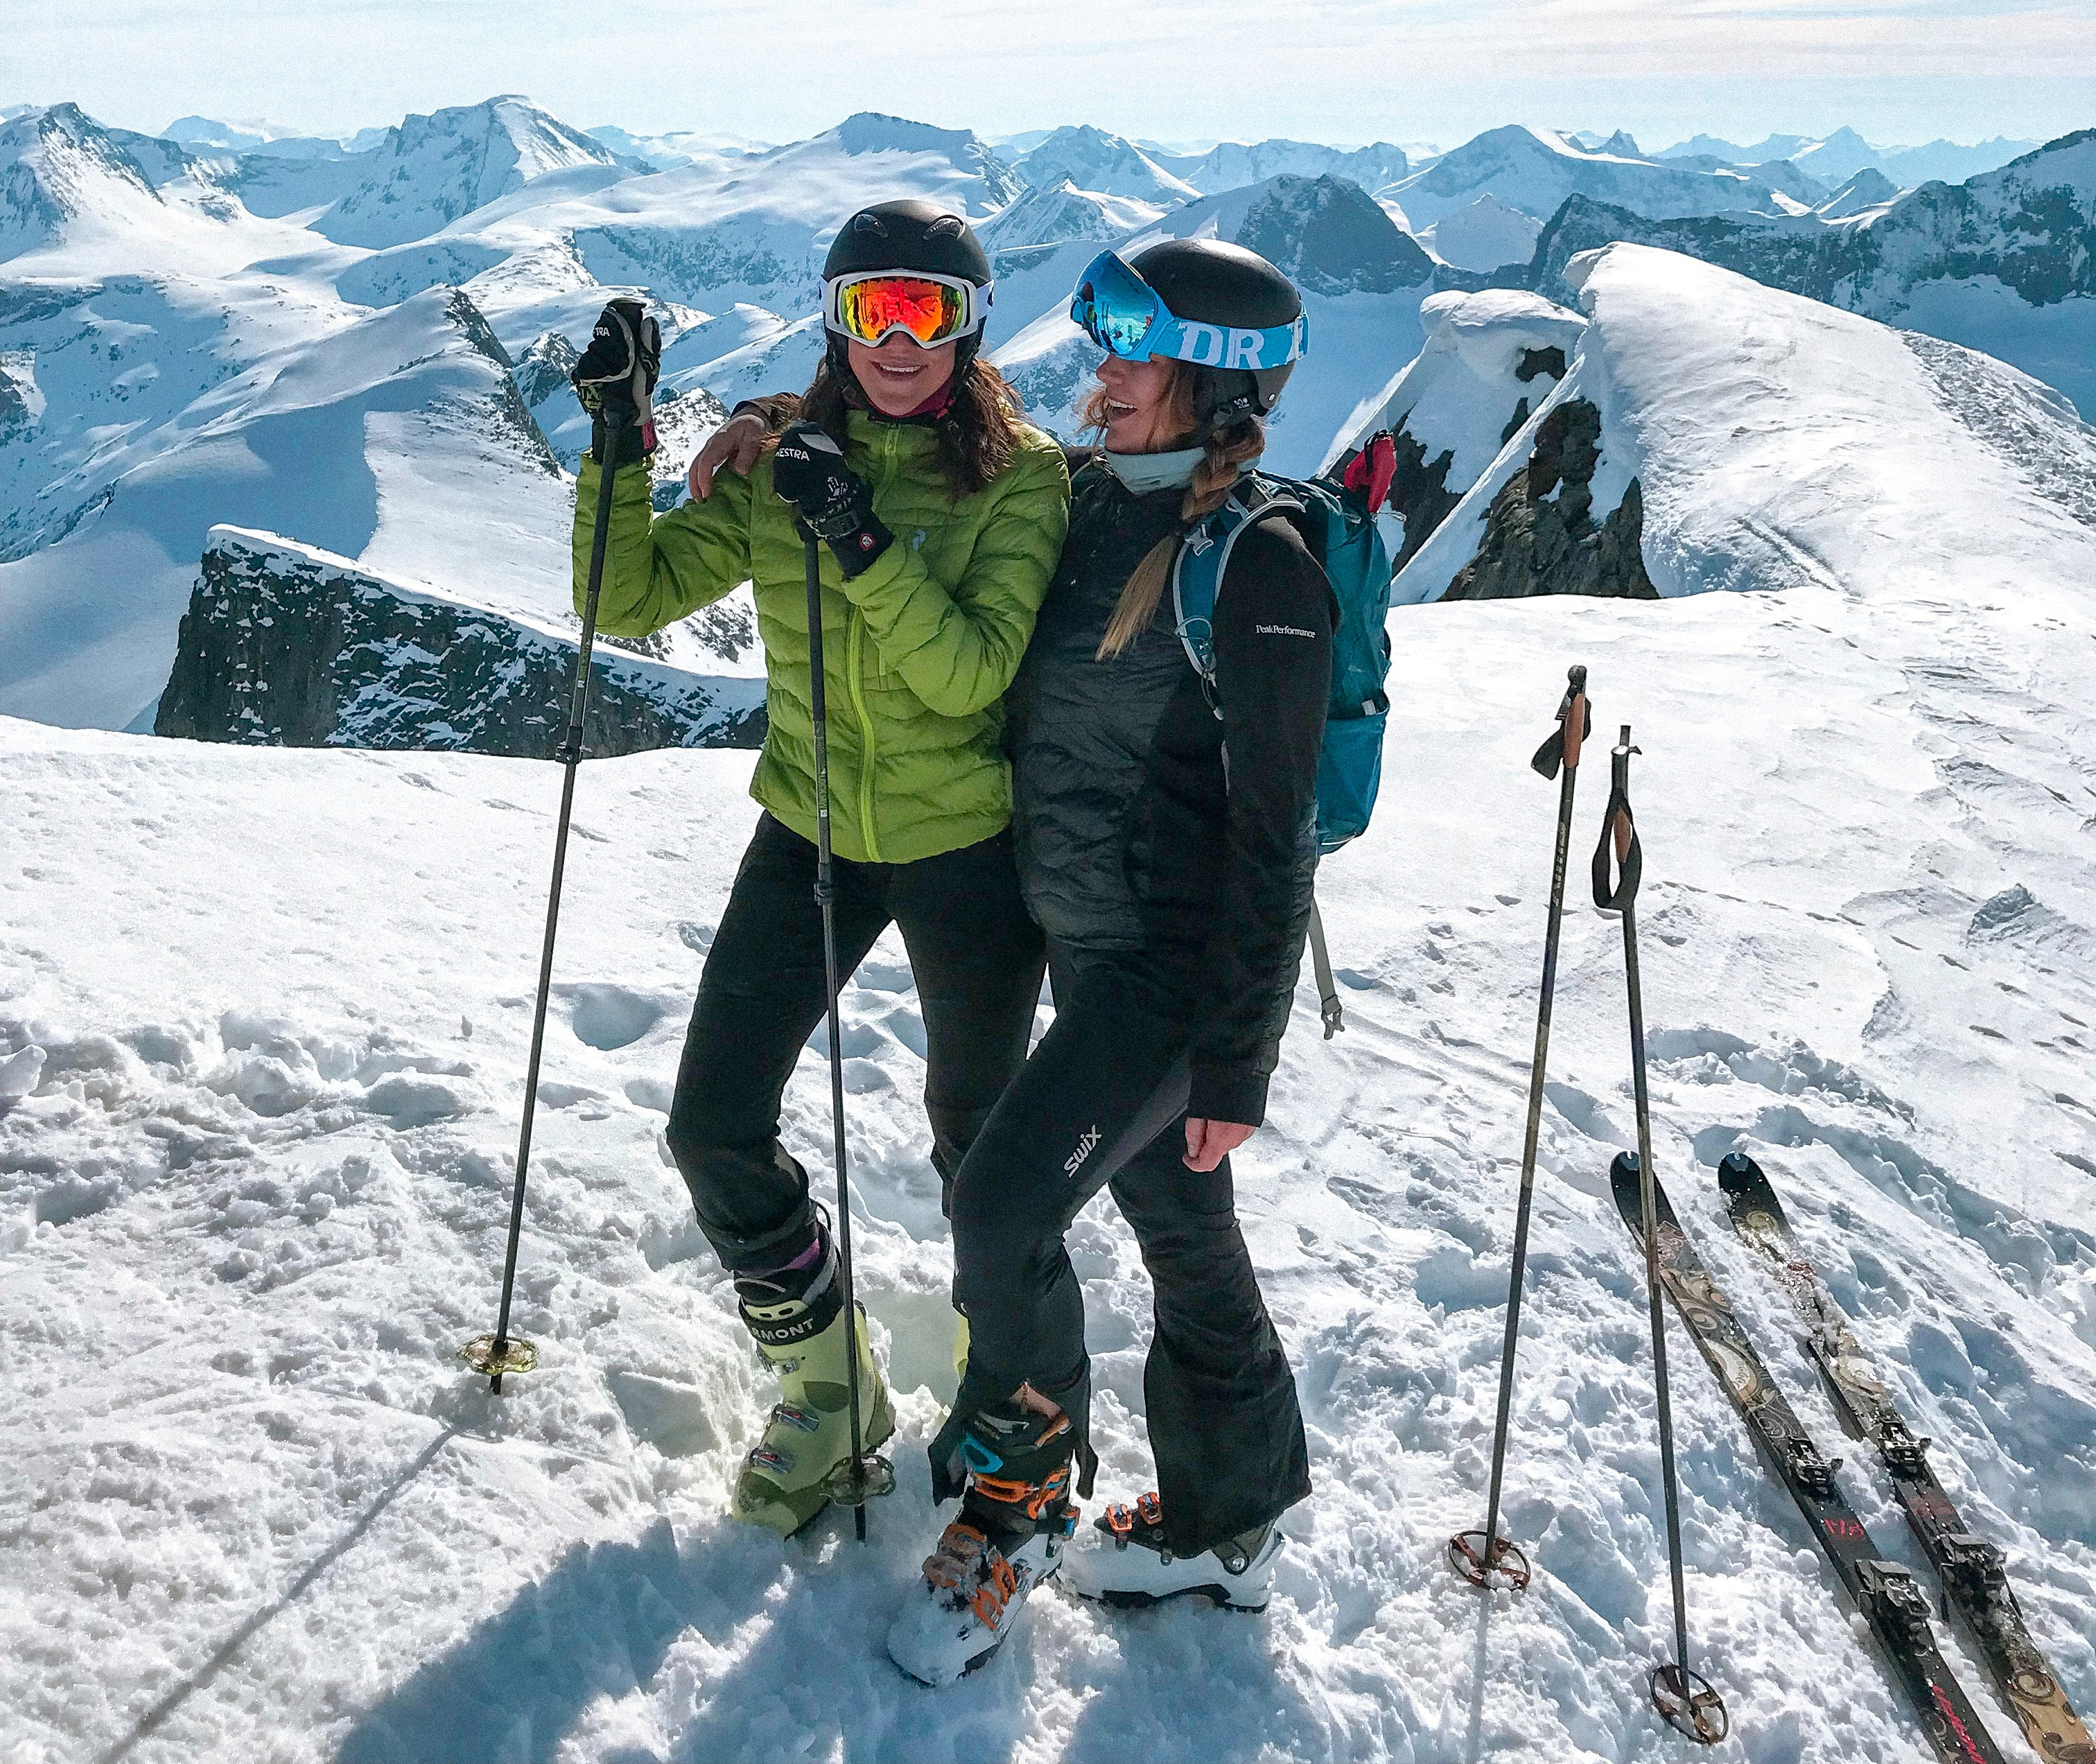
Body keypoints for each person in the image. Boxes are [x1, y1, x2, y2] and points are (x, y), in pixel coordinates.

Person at [566, 199, 1069, 1537]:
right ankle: (828, 1377)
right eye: (869, 309)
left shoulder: (1023, 480)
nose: (896, 341)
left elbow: (970, 671)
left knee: (981, 1149)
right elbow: (624, 601)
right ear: (834, 320)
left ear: (968, 327)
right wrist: (621, 445)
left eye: (925, 310)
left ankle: (1012, 1400)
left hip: (967, 845)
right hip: (809, 823)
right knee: (711, 1122)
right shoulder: (785, 458)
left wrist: (857, 538)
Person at [884, 238, 1329, 1684]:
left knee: (999, 1203)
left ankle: (1016, 1502)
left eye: (1136, 348)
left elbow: (1279, 836)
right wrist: (764, 427)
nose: (1104, 368)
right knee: (1179, 1226)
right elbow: (928, 428)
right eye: (1104, 336)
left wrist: (1238, 1059)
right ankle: (1231, 1518)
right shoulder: (1080, 502)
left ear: (1212, 382)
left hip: (1166, 980)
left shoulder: (1257, 564)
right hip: (1078, 935)